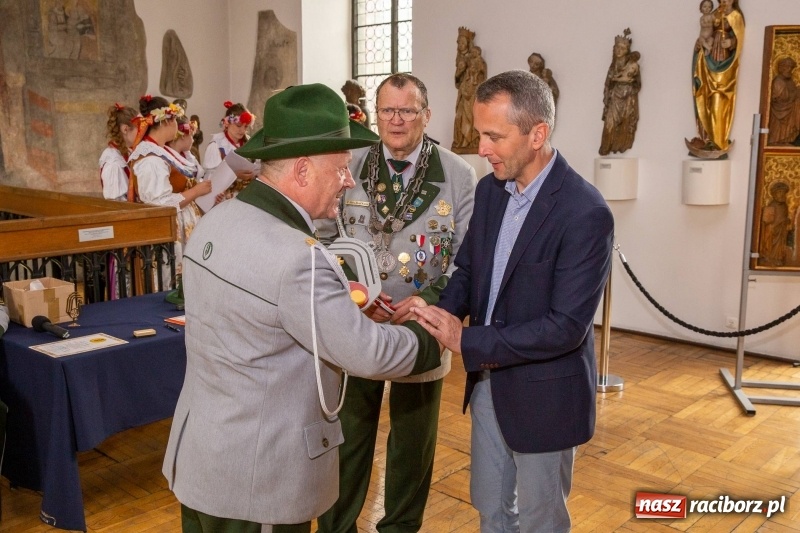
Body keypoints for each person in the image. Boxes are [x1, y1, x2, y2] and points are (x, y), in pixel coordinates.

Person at [161, 83, 443, 532]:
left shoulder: (219, 219)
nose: (349, 181)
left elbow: (263, 319)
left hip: (203, 461)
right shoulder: (297, 257)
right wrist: (432, 337)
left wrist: (338, 310)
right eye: (342, 168)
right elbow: (368, 353)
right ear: (305, 170)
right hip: (259, 482)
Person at [411, 70, 614, 532]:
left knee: (541, 520)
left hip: (545, 396)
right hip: (488, 388)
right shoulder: (490, 191)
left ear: (537, 134)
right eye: (481, 133)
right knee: (490, 506)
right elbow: (468, 270)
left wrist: (467, 341)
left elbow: (565, 327)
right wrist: (436, 309)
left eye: (493, 136)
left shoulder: (585, 213)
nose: (481, 148)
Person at [316, 73, 477, 533]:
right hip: (355, 314)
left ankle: (401, 527)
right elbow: (324, 236)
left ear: (427, 115)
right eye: (388, 110)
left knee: (413, 442)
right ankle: (337, 527)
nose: (397, 120)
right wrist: (357, 292)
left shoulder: (458, 173)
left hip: (423, 321)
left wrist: (425, 302)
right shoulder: (352, 163)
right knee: (348, 437)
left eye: (408, 110)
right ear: (375, 114)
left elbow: (467, 256)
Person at [127, 95, 212, 288]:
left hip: (181, 226)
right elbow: (160, 204)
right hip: (168, 232)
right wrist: (196, 192)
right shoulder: (150, 158)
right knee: (169, 283)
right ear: (166, 120)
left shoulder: (161, 151)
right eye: (175, 119)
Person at [690, 0, 744, 155]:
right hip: (711, 56)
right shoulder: (715, 13)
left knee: (718, 100)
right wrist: (699, 45)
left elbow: (739, 38)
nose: (724, 1)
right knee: (707, 96)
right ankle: (708, 139)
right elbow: (705, 31)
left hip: (726, 60)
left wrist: (732, 42)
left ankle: (718, 141)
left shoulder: (736, 16)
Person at [203, 101, 258, 200]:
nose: (242, 131)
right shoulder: (216, 145)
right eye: (238, 125)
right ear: (227, 123)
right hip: (224, 199)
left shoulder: (249, 142)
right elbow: (210, 180)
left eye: (245, 127)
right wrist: (234, 175)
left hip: (248, 196)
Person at [600, 29, 641, 156]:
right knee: (609, 123)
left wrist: (627, 81)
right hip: (614, 97)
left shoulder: (632, 64)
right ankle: (606, 147)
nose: (619, 51)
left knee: (625, 122)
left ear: (627, 50)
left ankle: (620, 145)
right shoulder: (613, 66)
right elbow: (608, 83)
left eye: (623, 48)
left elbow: (636, 83)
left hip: (627, 97)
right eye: (618, 47)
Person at [99, 103, 138, 201]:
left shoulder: (125, 152)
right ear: (125, 129)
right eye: (139, 128)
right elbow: (116, 204)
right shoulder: (113, 162)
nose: (141, 133)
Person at [768, 57, 800, 145]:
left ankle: (788, 140)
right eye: (788, 67)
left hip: (789, 108)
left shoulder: (789, 81)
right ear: (781, 68)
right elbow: (783, 99)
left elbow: (793, 92)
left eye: (791, 68)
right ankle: (778, 141)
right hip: (781, 110)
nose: (790, 70)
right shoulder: (778, 82)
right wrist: (796, 94)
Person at [759, 180, 791, 267]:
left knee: (779, 245)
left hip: (780, 231)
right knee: (769, 243)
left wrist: (786, 220)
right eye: (779, 192)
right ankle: (767, 257)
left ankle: (778, 259)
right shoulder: (771, 204)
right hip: (771, 230)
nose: (782, 194)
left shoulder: (785, 206)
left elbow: (783, 217)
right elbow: (767, 218)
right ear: (774, 194)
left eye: (783, 193)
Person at [167, 115, 204, 181]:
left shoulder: (187, 154)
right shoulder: (167, 159)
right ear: (183, 136)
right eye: (191, 136)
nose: (193, 140)